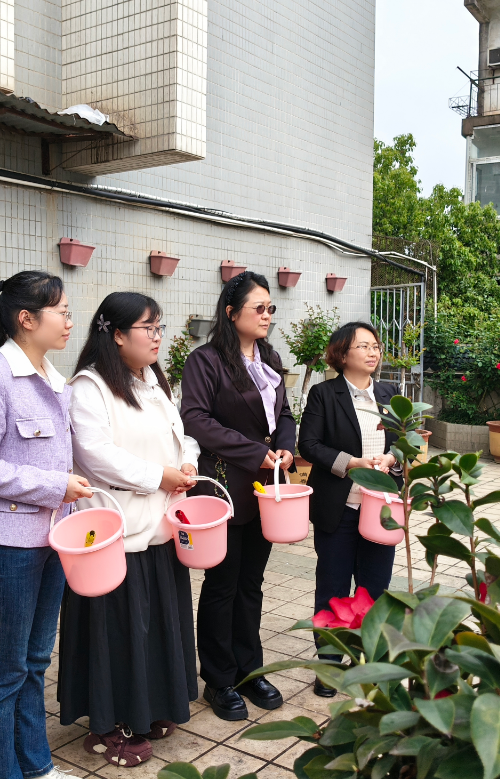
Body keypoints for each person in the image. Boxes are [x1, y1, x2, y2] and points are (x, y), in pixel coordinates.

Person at [0, 271, 92, 779]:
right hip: (6, 544)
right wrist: (55, 486)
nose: (70, 322)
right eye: (62, 312)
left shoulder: (54, 379)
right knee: (4, 667)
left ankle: (36, 766)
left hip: (53, 539)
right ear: (26, 319)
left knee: (34, 660)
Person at [59, 292, 201, 767]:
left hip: (158, 526)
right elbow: (96, 455)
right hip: (116, 534)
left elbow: (181, 435)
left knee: (155, 629)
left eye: (160, 327)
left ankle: (150, 707)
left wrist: (186, 462)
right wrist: (159, 476)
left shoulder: (152, 382)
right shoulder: (90, 387)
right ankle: (108, 726)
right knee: (117, 635)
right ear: (117, 335)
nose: (158, 337)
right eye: (149, 328)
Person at [180, 270, 296, 721]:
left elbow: (283, 414)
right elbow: (196, 419)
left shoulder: (269, 357)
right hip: (226, 484)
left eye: (270, 308)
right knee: (223, 584)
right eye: (258, 308)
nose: (267, 315)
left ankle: (250, 671)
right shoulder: (206, 361)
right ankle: (218, 678)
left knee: (252, 583)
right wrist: (254, 451)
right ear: (231, 313)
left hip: (267, 485)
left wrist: (285, 445)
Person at [297, 322, 399, 698]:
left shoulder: (389, 393)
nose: (373, 352)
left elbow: (404, 440)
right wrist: (351, 462)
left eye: (375, 346)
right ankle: (329, 666)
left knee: (375, 589)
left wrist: (392, 459)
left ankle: (369, 664)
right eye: (363, 346)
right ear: (342, 353)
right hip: (338, 509)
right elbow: (309, 444)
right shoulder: (324, 394)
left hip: (380, 509)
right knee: (334, 588)